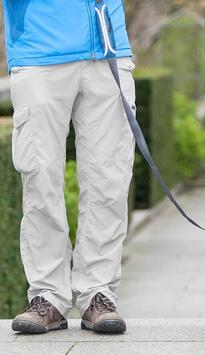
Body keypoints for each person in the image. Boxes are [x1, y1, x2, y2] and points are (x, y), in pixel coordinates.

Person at [3, 0, 135, 334]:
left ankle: (99, 293)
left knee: (110, 179)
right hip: (39, 48)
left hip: (108, 48)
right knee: (41, 179)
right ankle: (48, 295)